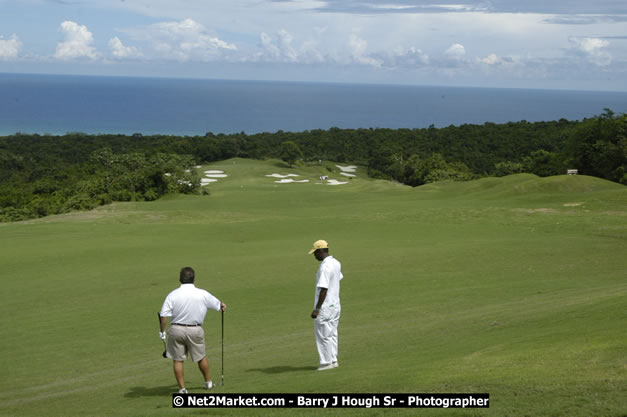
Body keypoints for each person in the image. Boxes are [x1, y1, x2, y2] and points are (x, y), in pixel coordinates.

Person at [159, 267, 226, 393]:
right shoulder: (202, 293)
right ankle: (208, 383)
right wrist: (222, 306)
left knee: (178, 360)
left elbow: (163, 316)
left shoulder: (172, 295)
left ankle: (182, 389)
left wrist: (162, 332)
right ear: (193, 279)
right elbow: (220, 305)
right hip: (195, 330)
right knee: (201, 357)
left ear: (180, 279)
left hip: (176, 330)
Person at [308, 240, 343, 371]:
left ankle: (326, 362)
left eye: (315, 253)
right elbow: (338, 278)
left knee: (323, 335)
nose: (314, 256)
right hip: (335, 305)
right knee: (332, 333)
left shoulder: (324, 267)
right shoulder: (336, 263)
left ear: (320, 251)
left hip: (325, 306)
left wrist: (317, 309)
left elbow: (323, 289)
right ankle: (333, 360)